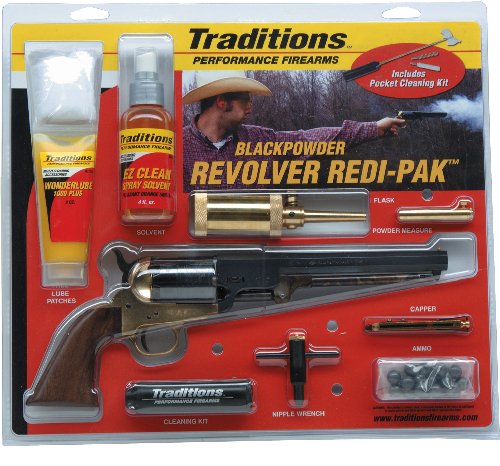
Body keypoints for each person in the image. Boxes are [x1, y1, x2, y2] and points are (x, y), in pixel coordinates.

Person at [182, 70, 405, 186]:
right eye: (245, 99)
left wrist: (375, 128)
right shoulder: (177, 148)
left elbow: (308, 140)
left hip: (256, 248)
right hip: (198, 251)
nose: (251, 105)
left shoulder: (258, 140)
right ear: (222, 102)